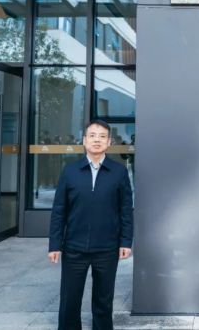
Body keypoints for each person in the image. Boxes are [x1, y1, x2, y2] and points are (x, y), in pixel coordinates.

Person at [48, 119, 134, 330]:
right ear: (84, 140)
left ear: (109, 142)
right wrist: (55, 244)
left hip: (107, 248)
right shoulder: (70, 171)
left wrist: (125, 241)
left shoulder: (119, 172)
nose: (97, 140)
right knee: (70, 299)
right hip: (74, 247)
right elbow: (59, 210)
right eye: (92, 135)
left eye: (102, 136)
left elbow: (125, 210)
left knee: (103, 301)